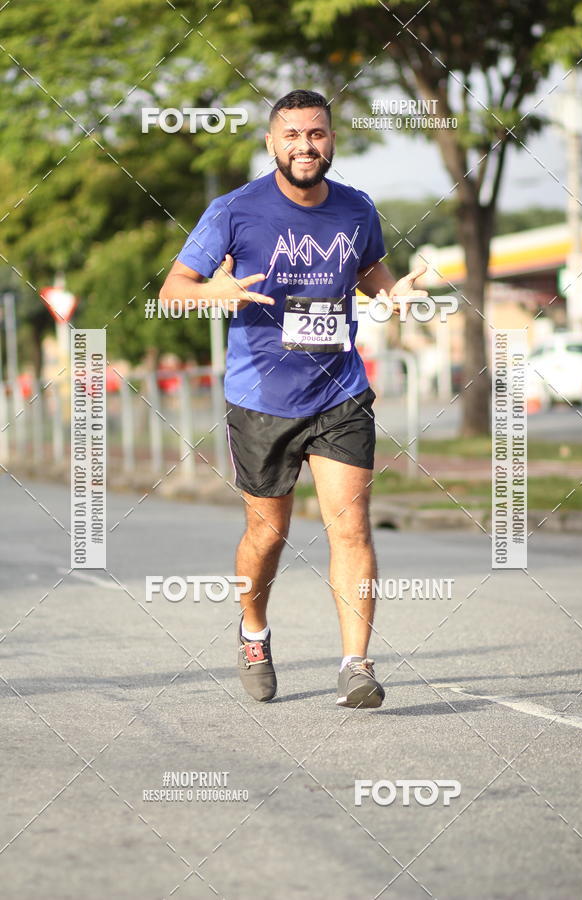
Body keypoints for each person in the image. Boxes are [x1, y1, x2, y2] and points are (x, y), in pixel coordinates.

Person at [159, 89, 426, 708]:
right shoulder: (235, 210)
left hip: (340, 391)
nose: (305, 146)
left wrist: (391, 297)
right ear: (272, 142)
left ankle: (356, 665)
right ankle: (254, 631)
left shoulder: (358, 210)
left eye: (317, 134)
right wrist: (212, 294)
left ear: (332, 139)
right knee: (268, 533)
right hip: (260, 397)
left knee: (350, 526)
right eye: (292, 135)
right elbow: (176, 286)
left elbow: (367, 272)